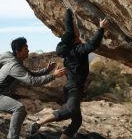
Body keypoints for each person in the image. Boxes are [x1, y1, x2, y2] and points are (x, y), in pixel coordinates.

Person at [29, 8, 108, 139]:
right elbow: (93, 45)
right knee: (69, 111)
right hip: (74, 88)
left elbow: (69, 29)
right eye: (77, 36)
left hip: (72, 87)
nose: (78, 35)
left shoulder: (67, 48)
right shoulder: (78, 50)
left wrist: (68, 11)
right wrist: (101, 29)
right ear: (74, 41)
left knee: (77, 121)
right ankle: (38, 123)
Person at [0, 37, 66, 139]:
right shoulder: (14, 65)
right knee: (19, 108)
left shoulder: (17, 63)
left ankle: (13, 136)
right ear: (18, 51)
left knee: (22, 112)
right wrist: (53, 76)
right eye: (25, 49)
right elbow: (32, 81)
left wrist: (47, 70)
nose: (28, 50)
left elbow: (31, 74)